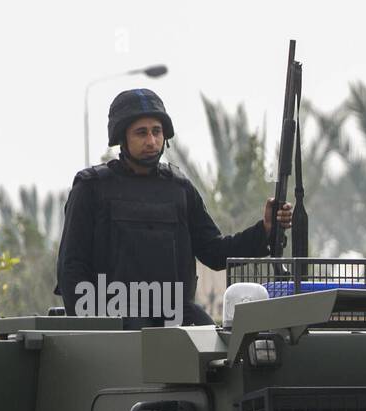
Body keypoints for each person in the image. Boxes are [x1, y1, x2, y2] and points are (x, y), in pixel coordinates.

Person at [56, 88, 292, 328]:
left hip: (174, 312)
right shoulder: (91, 188)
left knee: (216, 343)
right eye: (141, 133)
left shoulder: (179, 189)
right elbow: (71, 268)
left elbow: (215, 251)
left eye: (156, 132)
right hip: (113, 312)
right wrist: (87, 329)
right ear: (122, 138)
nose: (151, 141)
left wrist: (264, 230)